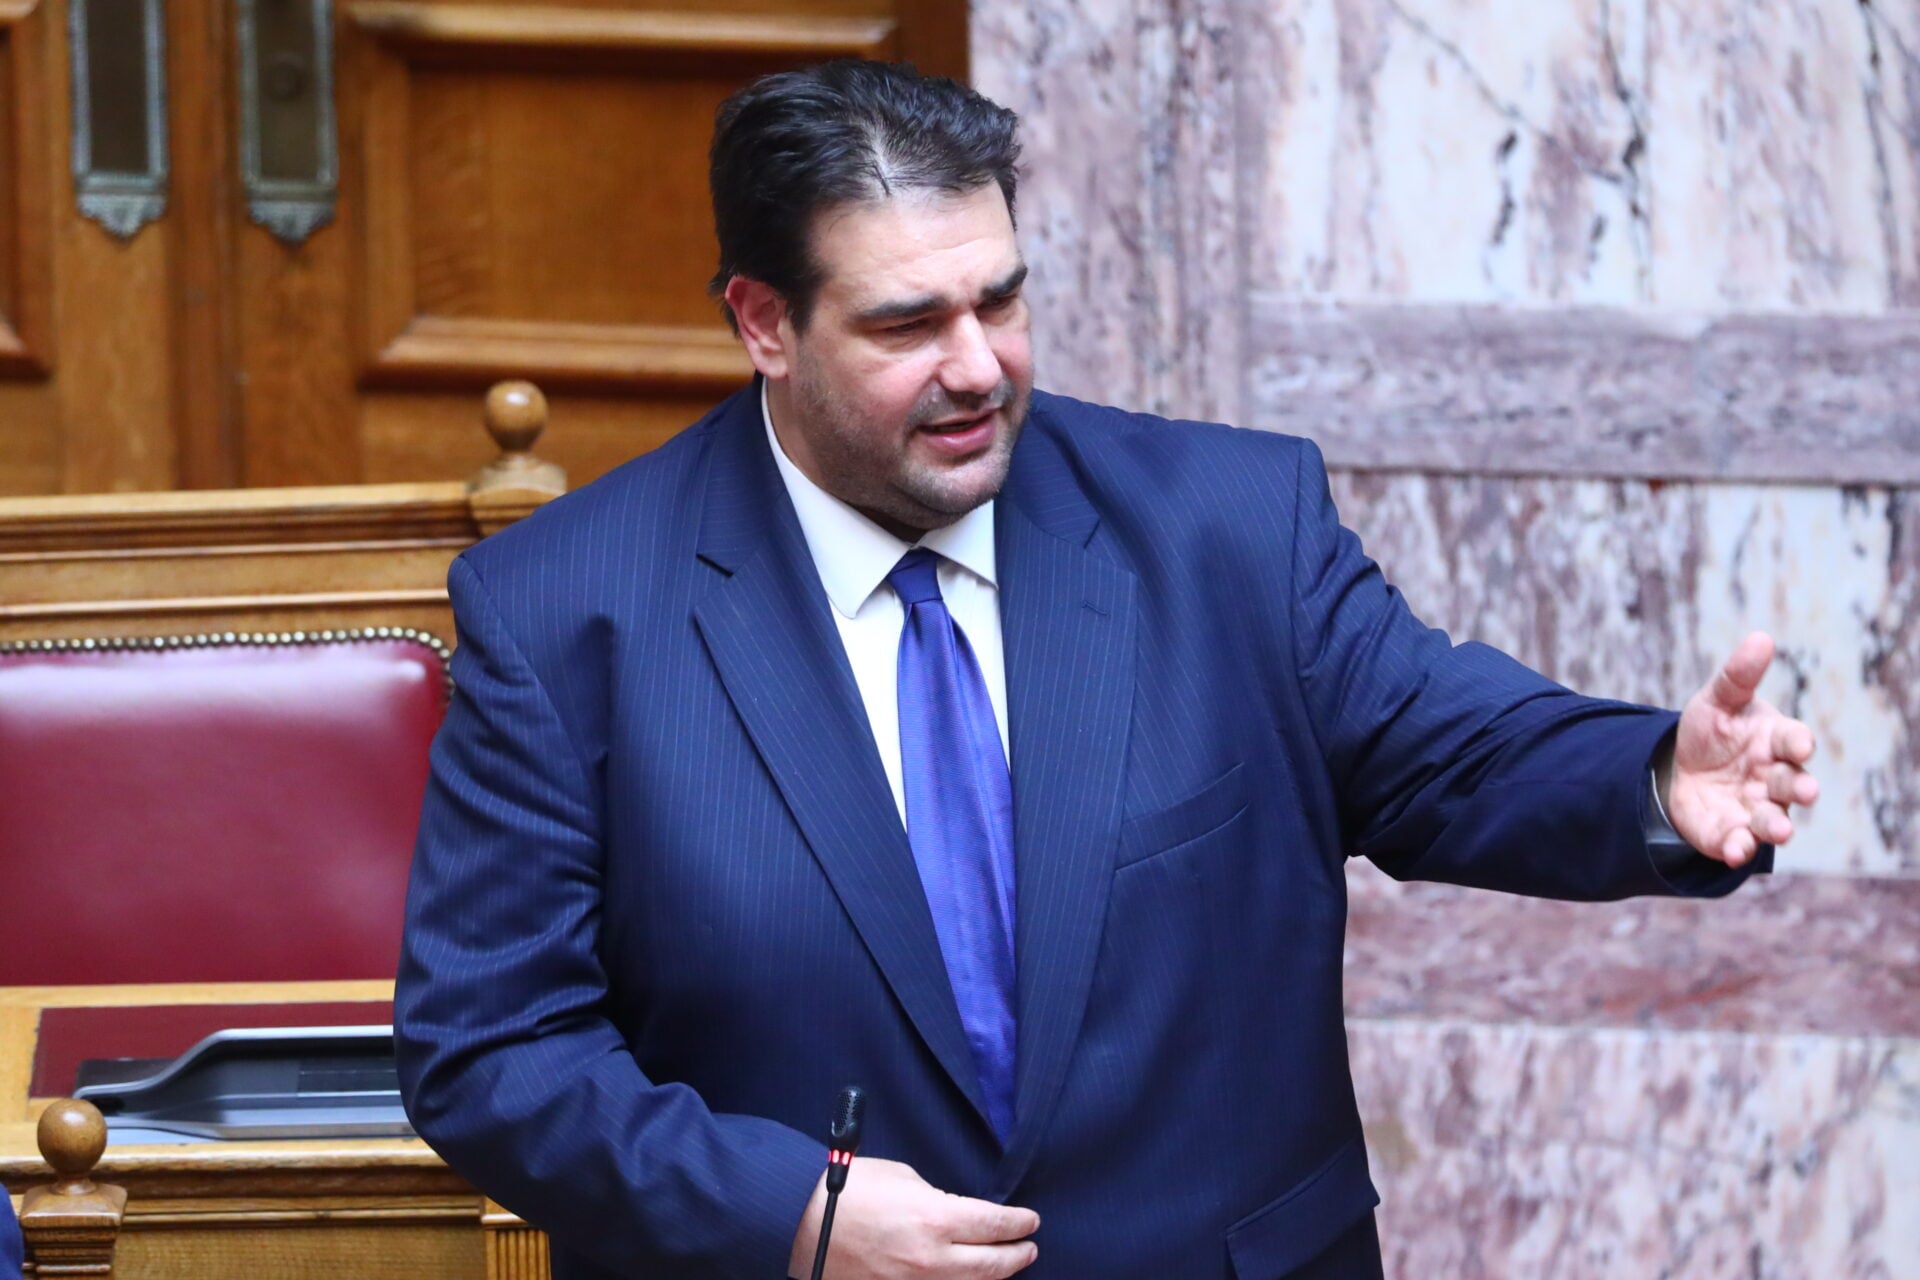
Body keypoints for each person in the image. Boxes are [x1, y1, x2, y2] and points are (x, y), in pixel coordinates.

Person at [394, 60, 1820, 1280]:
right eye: (908, 324)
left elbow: (1445, 748)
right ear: (764, 322)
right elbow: (490, 1046)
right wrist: (790, 1215)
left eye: (1001, 302)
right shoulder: (567, 611)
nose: (978, 367)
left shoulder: (1228, 527)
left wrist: (1651, 778)